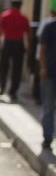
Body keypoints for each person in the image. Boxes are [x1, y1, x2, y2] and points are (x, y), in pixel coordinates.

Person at [0, 0, 30, 102]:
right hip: (18, 44)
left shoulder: (5, 15)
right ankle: (13, 91)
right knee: (17, 69)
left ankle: (2, 86)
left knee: (3, 67)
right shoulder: (24, 18)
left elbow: (0, 30)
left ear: (11, 6)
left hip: (7, 43)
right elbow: (28, 33)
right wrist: (28, 47)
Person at [38, 15, 56, 152]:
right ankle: (48, 138)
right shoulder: (50, 26)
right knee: (48, 106)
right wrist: (43, 67)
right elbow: (42, 48)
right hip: (50, 72)